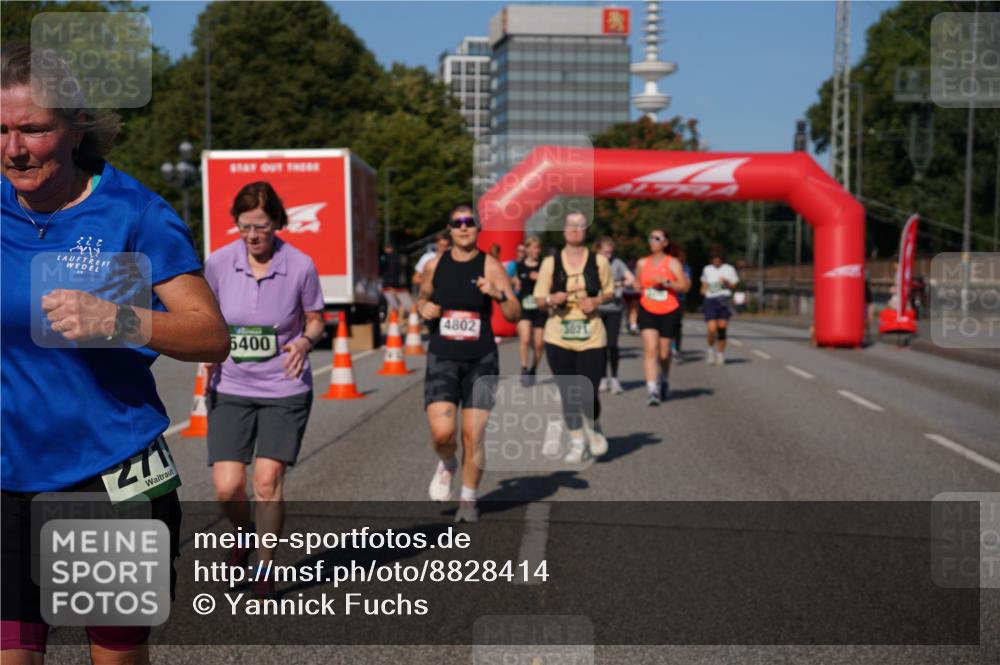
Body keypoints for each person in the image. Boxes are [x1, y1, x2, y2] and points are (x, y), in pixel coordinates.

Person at [1, 43, 230, 664]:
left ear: (75, 128)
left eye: (33, 130)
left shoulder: (133, 213)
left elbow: (212, 334)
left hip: (110, 476)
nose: (14, 149)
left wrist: (119, 317)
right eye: (0, 130)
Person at [203, 182, 325, 597]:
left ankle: (266, 568)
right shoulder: (218, 263)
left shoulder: (301, 265)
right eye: (245, 227)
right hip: (230, 385)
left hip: (284, 387)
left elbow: (315, 317)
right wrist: (207, 345)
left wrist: (306, 341)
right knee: (227, 486)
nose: (253, 236)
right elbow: (205, 315)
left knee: (268, 481)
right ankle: (242, 534)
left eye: (261, 227)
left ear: (276, 223)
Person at [418, 205, 519, 523]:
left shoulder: (490, 265)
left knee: (473, 436)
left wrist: (499, 295)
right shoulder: (435, 265)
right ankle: (448, 463)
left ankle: (468, 499)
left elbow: (515, 314)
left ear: (478, 229)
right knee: (443, 433)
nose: (463, 227)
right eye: (457, 223)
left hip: (481, 359)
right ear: (449, 229)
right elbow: (421, 296)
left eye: (469, 223)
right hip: (443, 356)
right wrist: (424, 307)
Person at [534, 211, 614, 463]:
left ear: (586, 231)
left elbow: (610, 292)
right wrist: (550, 299)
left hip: (591, 334)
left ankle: (594, 425)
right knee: (569, 392)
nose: (575, 230)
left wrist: (596, 300)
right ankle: (577, 442)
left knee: (588, 391)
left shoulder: (599, 262)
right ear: (564, 229)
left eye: (580, 226)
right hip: (559, 333)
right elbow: (538, 300)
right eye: (570, 225)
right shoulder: (550, 263)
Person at [636, 229, 690, 406]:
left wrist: (666, 282)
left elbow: (683, 286)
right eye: (651, 237)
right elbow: (637, 284)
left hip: (668, 310)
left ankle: (664, 379)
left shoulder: (672, 263)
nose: (653, 241)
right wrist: (633, 286)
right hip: (647, 309)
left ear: (665, 243)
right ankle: (652, 390)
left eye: (657, 238)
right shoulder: (642, 262)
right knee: (651, 349)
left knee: (664, 353)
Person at [595, 236, 634, 394]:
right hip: (597, 309)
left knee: (612, 345)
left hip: (614, 309)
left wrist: (620, 283)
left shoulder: (617, 263)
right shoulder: (593, 263)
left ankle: (615, 379)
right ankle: (603, 379)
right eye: (606, 252)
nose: (609, 255)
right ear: (598, 250)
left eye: (610, 252)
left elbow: (631, 278)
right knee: (600, 346)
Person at [513, 236, 546, 385]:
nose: (536, 251)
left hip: (540, 307)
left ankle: (533, 369)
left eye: (538, 248)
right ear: (526, 249)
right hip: (524, 306)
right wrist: (515, 282)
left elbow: (552, 284)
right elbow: (511, 279)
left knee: (539, 344)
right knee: (525, 338)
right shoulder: (519, 266)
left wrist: (541, 278)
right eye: (533, 248)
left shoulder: (544, 265)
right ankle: (524, 368)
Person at [700, 245, 739, 366]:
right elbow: (704, 285)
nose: (716, 260)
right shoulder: (707, 269)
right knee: (712, 328)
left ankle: (720, 354)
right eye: (713, 258)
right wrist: (703, 291)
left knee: (722, 328)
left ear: (722, 259)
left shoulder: (729, 269)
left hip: (724, 300)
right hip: (711, 300)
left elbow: (734, 286)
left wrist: (726, 282)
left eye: (718, 258)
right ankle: (710, 349)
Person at [670, 246, 692, 363]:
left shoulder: (685, 267)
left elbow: (687, 286)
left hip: (679, 299)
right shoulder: (666, 266)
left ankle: (676, 349)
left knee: (677, 325)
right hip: (665, 299)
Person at [380, 242, 412, 316]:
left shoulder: (386, 257)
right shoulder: (399, 257)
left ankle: (393, 317)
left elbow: (391, 271)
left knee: (393, 304)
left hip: (389, 284)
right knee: (398, 303)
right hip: (397, 284)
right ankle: (398, 317)